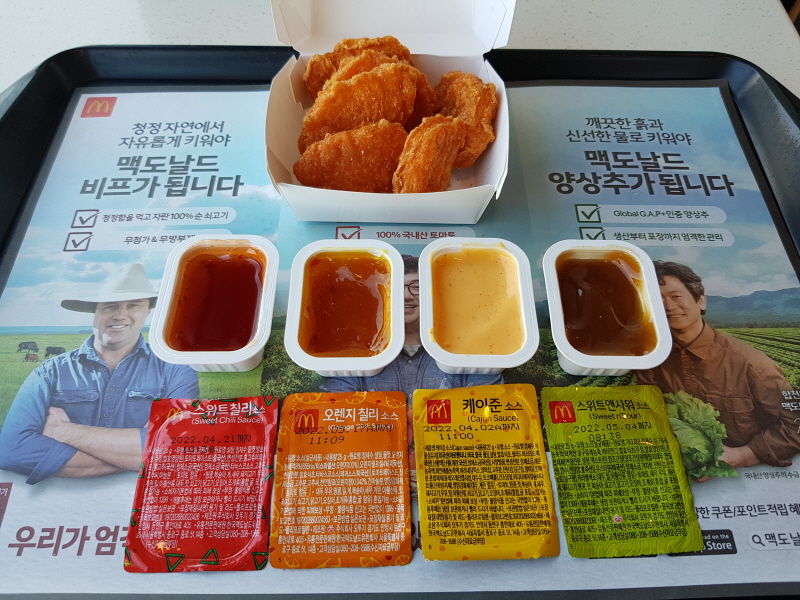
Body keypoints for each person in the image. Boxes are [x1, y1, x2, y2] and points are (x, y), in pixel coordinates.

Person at [0, 263, 199, 484]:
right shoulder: (49, 372)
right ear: (95, 311)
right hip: (59, 500)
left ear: (148, 312)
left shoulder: (175, 369)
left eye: (133, 305)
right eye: (109, 306)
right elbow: (11, 450)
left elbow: (178, 445)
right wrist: (137, 455)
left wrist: (63, 431)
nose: (120, 315)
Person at [321, 254, 503, 479]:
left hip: (454, 475)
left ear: (435, 294)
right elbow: (333, 411)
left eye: (417, 287)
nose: (407, 296)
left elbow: (490, 411)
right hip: (372, 476)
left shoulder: (469, 349)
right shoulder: (354, 350)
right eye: (397, 288)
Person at [636, 260, 799, 473]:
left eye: (676, 296)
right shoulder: (653, 359)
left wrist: (744, 455)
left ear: (701, 301)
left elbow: (796, 424)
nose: (667, 306)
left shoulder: (752, 365)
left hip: (749, 475)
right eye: (657, 299)